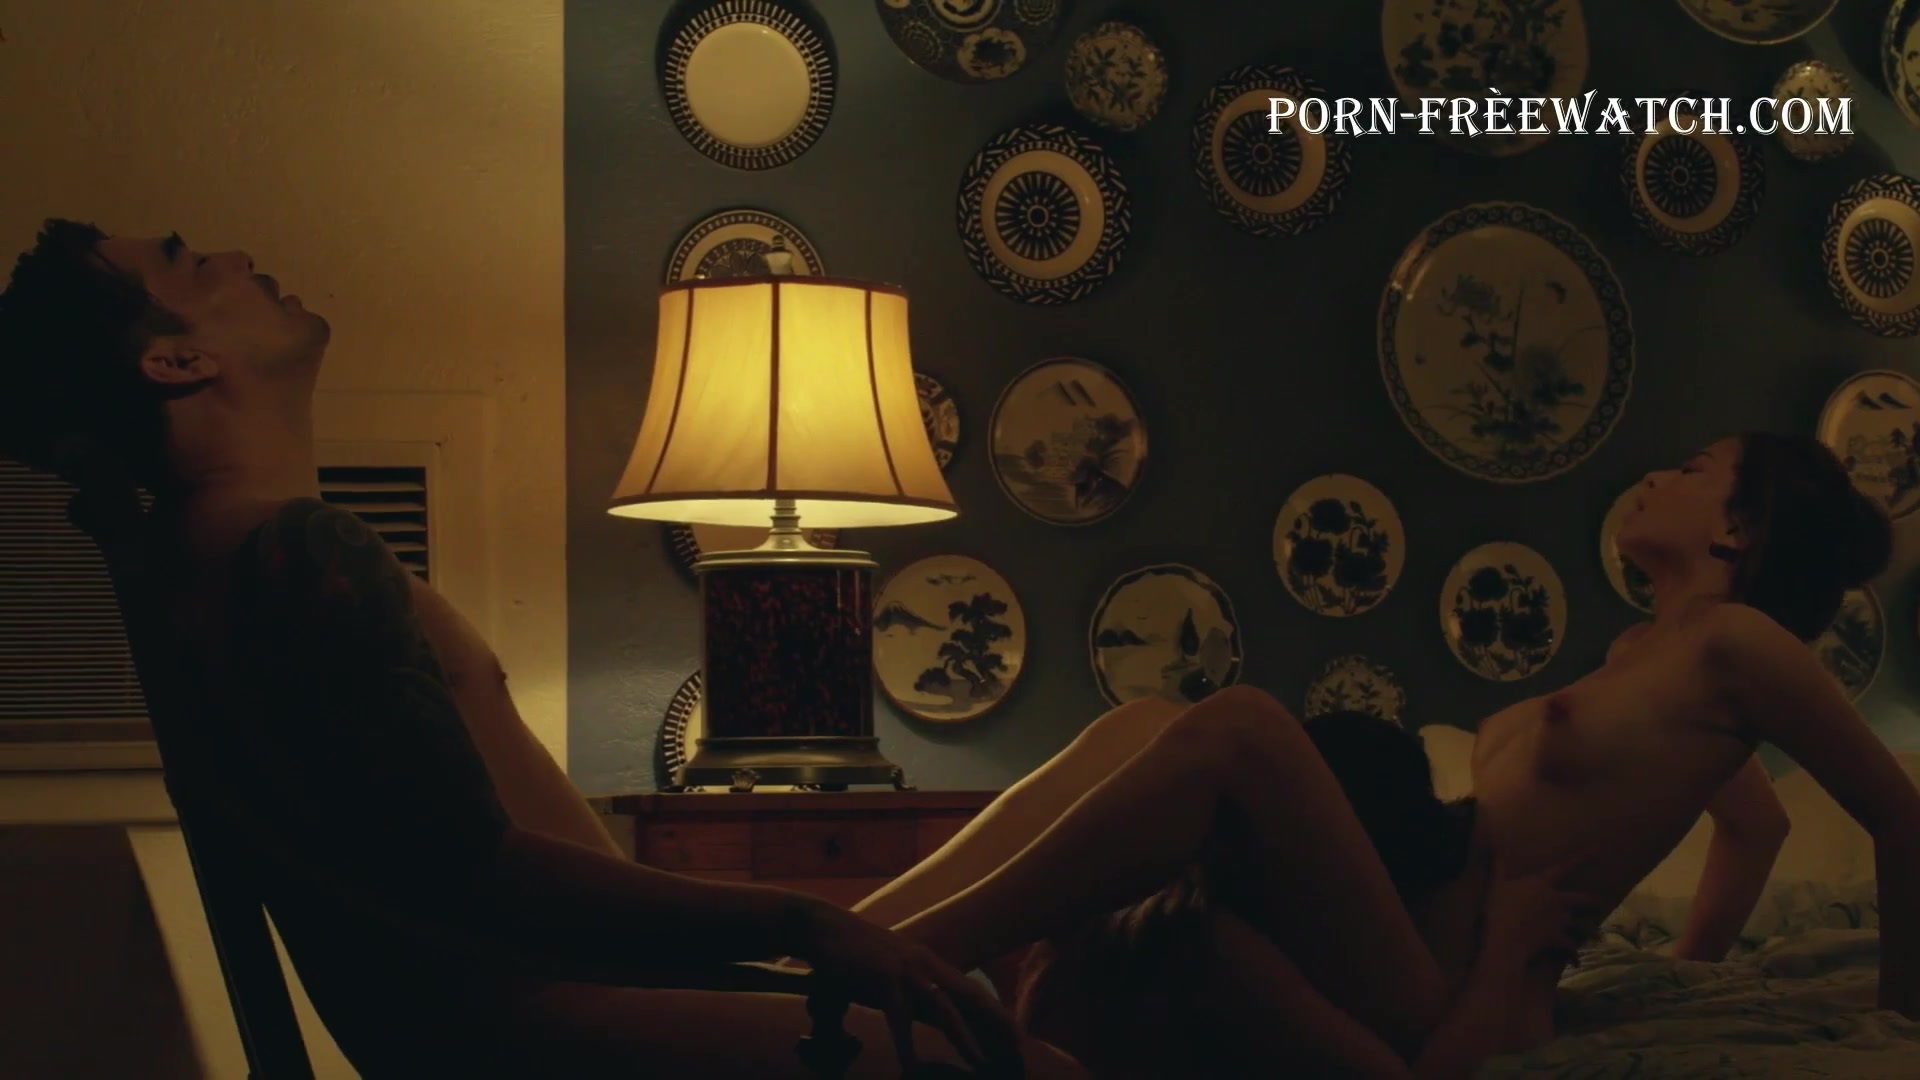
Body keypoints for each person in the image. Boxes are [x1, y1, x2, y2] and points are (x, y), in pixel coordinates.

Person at [0, 219, 1066, 1078]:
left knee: (1141, 750)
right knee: (1052, 1043)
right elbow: (472, 873)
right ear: (176, 359)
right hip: (569, 1022)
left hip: (593, 985)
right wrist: (802, 920)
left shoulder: (219, 551)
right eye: (190, 263)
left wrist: (810, 928)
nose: (235, 255)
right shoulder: (292, 555)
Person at [844, 431, 1920, 1072]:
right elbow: (1754, 824)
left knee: (1246, 728)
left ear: (1738, 530)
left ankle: (890, 960)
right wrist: (1686, 970)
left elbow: (1899, 812)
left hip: (1447, 981)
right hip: (1399, 914)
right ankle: (857, 934)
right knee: (1142, 725)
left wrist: (1901, 1017)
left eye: (1694, 468)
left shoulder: (1742, 645)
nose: (1659, 475)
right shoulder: (1647, 658)